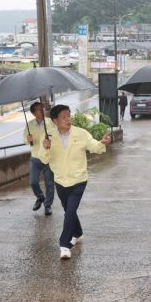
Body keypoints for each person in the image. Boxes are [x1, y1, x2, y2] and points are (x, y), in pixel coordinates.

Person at [43, 104, 111, 259]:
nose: (68, 119)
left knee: (70, 211)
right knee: (69, 211)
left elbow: (94, 146)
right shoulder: (49, 136)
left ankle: (64, 245)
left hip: (79, 179)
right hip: (60, 180)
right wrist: (45, 148)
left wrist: (102, 143)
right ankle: (78, 233)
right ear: (55, 120)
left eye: (69, 115)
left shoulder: (81, 133)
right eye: (63, 117)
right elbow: (44, 159)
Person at [23, 101, 55, 216]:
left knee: (49, 183)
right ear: (33, 113)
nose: (42, 111)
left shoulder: (50, 122)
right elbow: (25, 140)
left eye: (43, 109)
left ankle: (48, 205)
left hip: (48, 157)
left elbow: (56, 135)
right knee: (33, 182)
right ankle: (40, 197)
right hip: (35, 157)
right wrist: (28, 139)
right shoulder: (29, 125)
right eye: (38, 109)